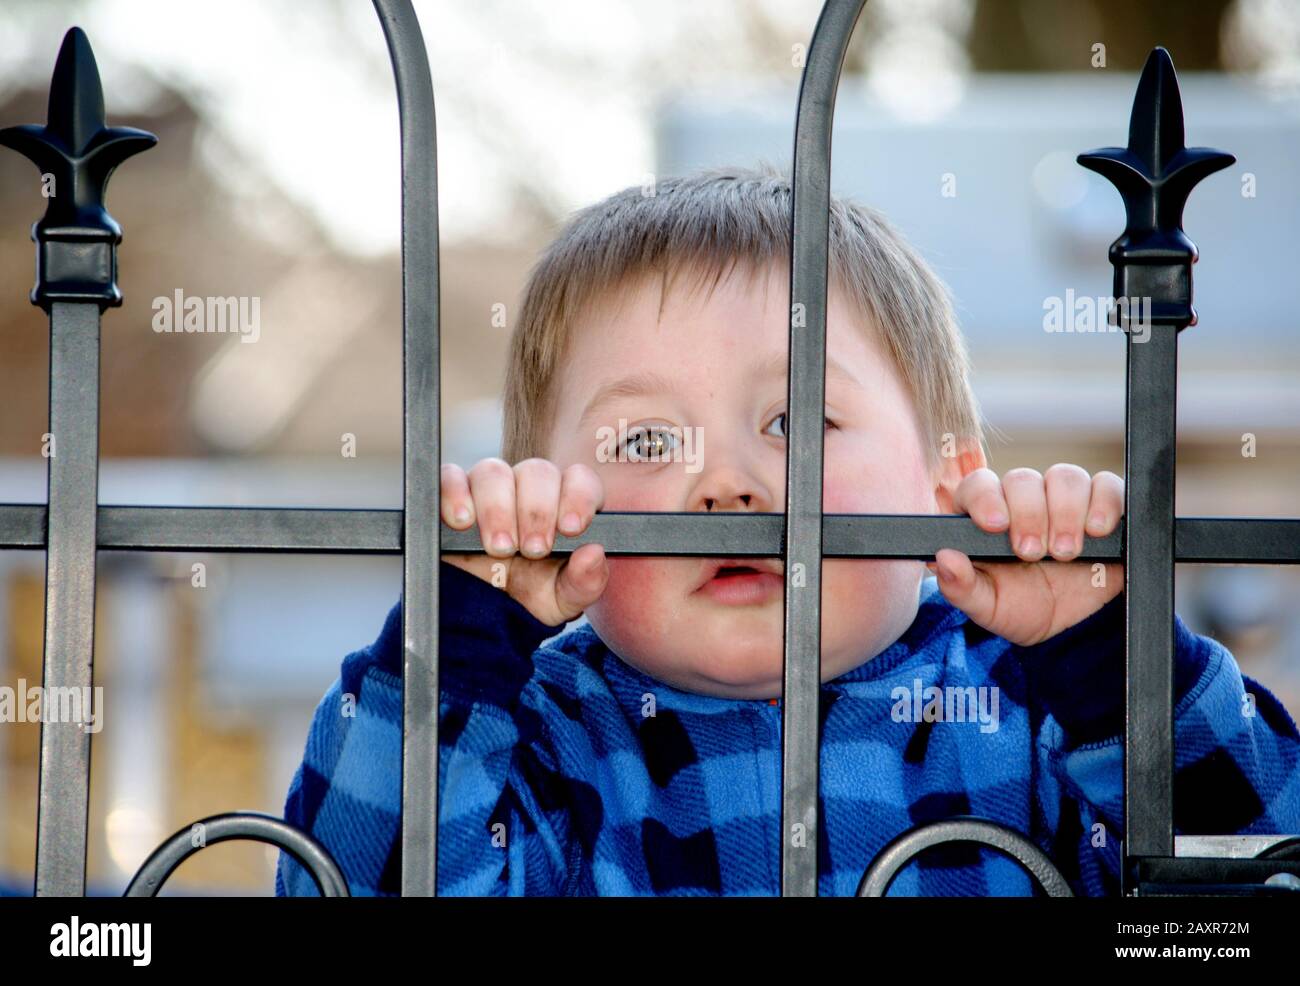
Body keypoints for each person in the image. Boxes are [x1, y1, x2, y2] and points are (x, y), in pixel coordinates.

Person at [276, 166, 1300, 896]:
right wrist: (457, 644)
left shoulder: (1034, 702)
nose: (725, 482)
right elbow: (349, 883)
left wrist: (1107, 659)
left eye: (796, 419)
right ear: (545, 499)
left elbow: (1251, 883)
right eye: (642, 435)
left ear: (951, 473)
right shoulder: (534, 734)